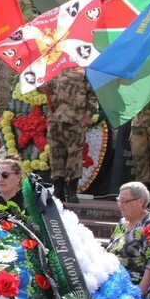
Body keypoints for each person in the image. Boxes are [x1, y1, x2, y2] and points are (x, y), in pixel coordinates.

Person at [47, 67, 98, 203]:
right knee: (56, 154)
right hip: (56, 119)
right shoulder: (55, 70)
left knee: (74, 155)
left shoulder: (84, 72)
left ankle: (71, 190)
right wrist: (41, 86)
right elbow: (48, 90)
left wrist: (88, 115)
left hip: (75, 120)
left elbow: (93, 94)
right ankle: (58, 190)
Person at [106, 182, 150, 287]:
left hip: (132, 284)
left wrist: (140, 293)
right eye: (119, 200)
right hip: (111, 280)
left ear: (140, 201)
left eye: (125, 201)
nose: (120, 205)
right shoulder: (122, 222)